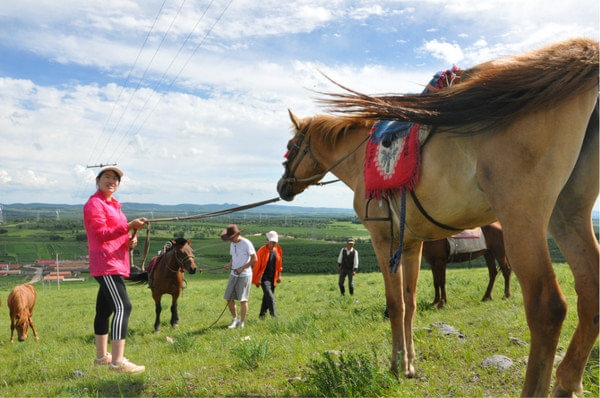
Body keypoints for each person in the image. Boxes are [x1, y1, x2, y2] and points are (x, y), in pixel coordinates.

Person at [83, 166, 147, 373]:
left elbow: (116, 233)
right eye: (107, 177)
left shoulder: (114, 205)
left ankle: (101, 357)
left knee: (104, 309)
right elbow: (101, 233)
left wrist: (130, 239)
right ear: (98, 180)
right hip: (106, 263)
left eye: (115, 179)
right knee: (123, 307)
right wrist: (128, 226)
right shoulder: (94, 204)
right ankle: (117, 363)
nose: (112, 181)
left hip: (115, 260)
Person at [221, 224, 257, 329]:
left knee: (243, 300)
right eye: (229, 239)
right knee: (228, 298)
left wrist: (242, 268)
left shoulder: (246, 243)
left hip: (245, 275)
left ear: (237, 235)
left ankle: (242, 322)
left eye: (231, 238)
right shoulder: (232, 243)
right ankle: (235, 319)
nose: (230, 240)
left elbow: (255, 259)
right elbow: (234, 257)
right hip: (233, 274)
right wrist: (229, 264)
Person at [252, 231, 283, 318]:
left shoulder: (279, 250)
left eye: (274, 242)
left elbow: (279, 264)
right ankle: (274, 315)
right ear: (267, 240)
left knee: (266, 298)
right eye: (271, 242)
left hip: (273, 277)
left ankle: (262, 315)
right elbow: (257, 266)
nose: (273, 244)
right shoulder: (261, 251)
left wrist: (279, 275)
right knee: (270, 297)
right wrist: (256, 280)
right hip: (264, 278)